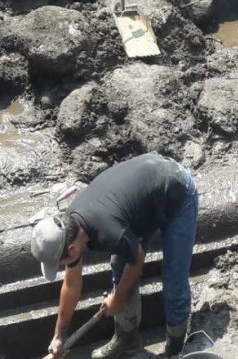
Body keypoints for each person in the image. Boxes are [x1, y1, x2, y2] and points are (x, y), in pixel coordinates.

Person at [30, 153, 198, 358]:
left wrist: (117, 299)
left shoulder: (108, 231)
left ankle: (176, 350)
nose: (61, 268)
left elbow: (136, 260)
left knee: (173, 280)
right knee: (119, 264)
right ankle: (127, 338)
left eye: (59, 264)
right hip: (140, 203)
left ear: (72, 249)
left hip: (176, 189)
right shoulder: (71, 227)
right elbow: (71, 284)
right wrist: (59, 335)